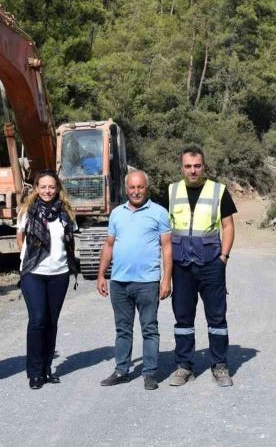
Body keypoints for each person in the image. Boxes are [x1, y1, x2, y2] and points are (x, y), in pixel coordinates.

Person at [167, 145, 237, 387]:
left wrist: (223, 258)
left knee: (217, 318)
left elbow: (228, 226)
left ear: (204, 167)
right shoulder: (171, 191)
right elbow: (165, 230)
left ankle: (220, 366)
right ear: (182, 167)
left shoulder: (218, 191)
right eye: (188, 166)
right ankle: (184, 366)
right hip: (182, 266)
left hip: (211, 265)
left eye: (197, 166)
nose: (193, 171)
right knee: (183, 318)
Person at [97, 170, 172, 390]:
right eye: (132, 187)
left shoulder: (159, 213)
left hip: (147, 282)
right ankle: (121, 370)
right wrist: (102, 274)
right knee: (122, 329)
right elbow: (109, 245)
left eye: (140, 187)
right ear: (126, 188)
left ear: (146, 188)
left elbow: (167, 247)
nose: (136, 191)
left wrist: (166, 279)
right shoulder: (116, 213)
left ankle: (149, 373)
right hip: (119, 282)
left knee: (149, 328)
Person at [16, 169, 80, 389]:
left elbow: (69, 242)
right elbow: (20, 240)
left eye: (51, 186)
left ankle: (46, 368)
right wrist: (30, 259)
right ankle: (34, 372)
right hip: (33, 273)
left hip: (59, 274)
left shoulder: (66, 213)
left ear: (57, 188)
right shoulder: (27, 212)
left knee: (51, 322)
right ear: (36, 188)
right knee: (38, 320)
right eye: (43, 186)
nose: (47, 190)